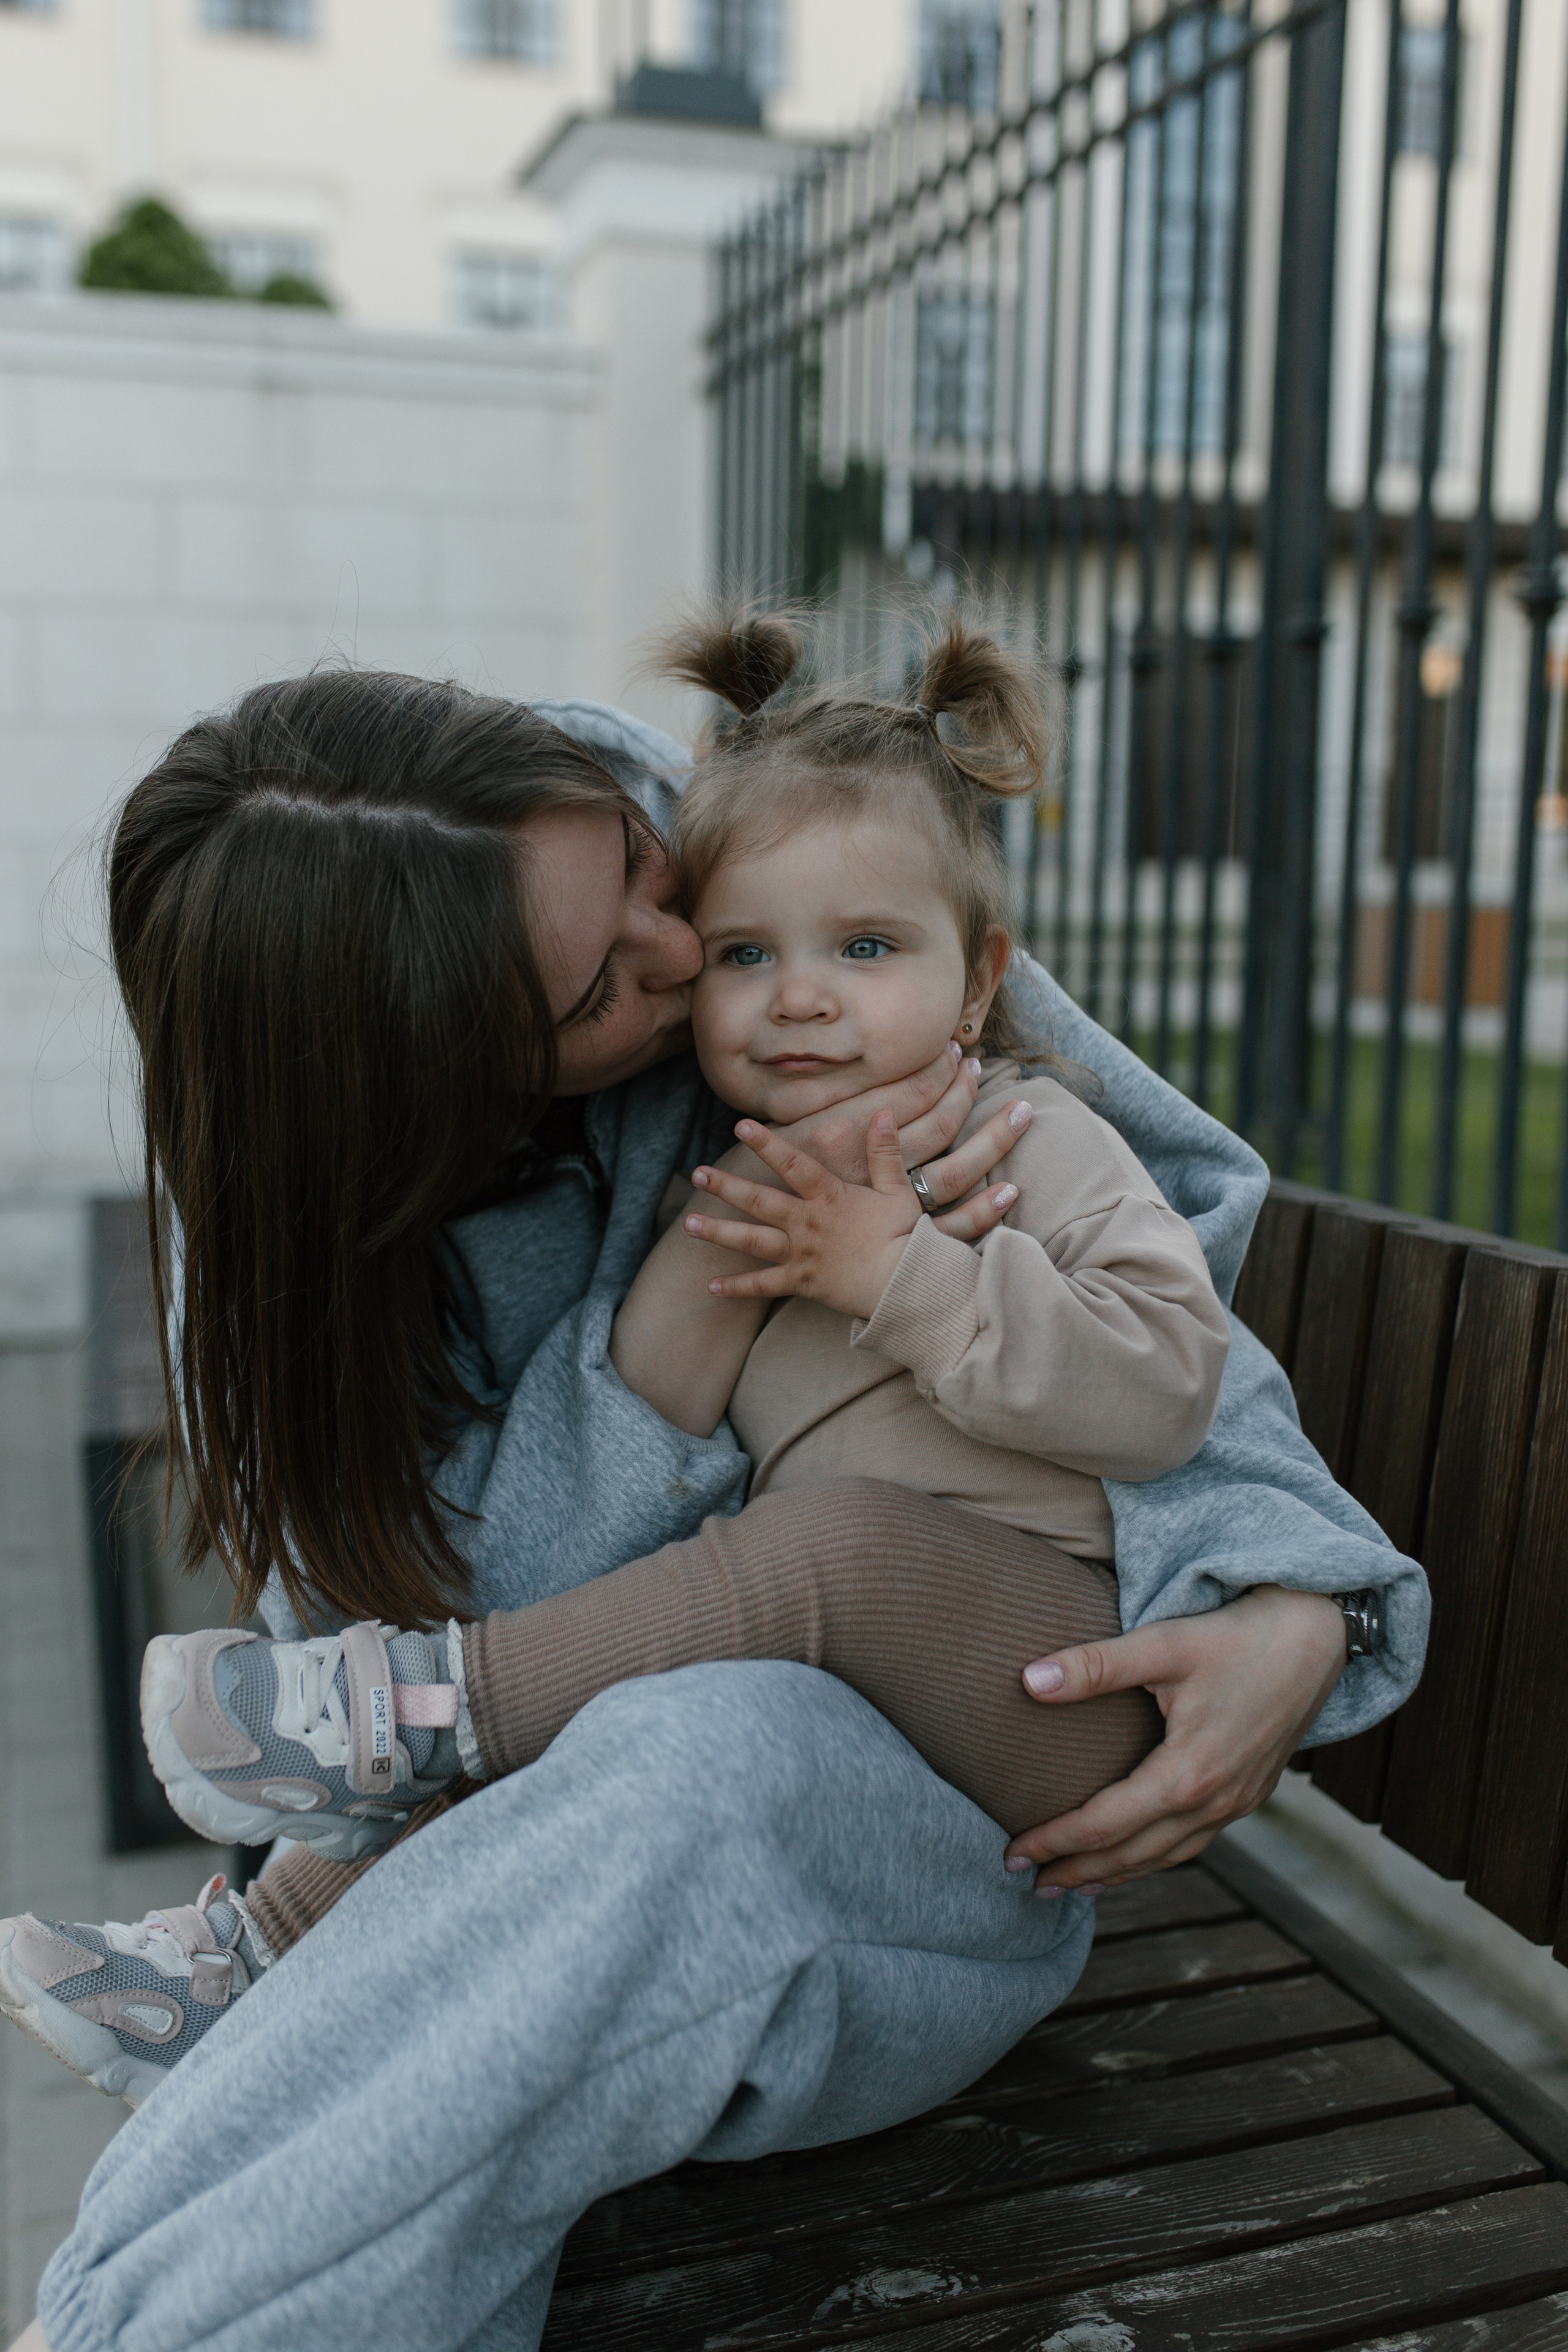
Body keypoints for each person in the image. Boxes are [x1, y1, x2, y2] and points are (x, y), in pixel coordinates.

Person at [4, 658, 1425, 2352]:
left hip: (926, 1821)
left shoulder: (802, 884)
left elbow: (1159, 1271)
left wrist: (1298, 1594)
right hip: (580, 1823)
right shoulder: (324, 1274)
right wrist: (668, 1328)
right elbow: (459, 1636)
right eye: (609, 984)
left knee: (696, 1761)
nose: (701, 966)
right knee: (620, 1767)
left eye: (645, 876)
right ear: (448, 1092)